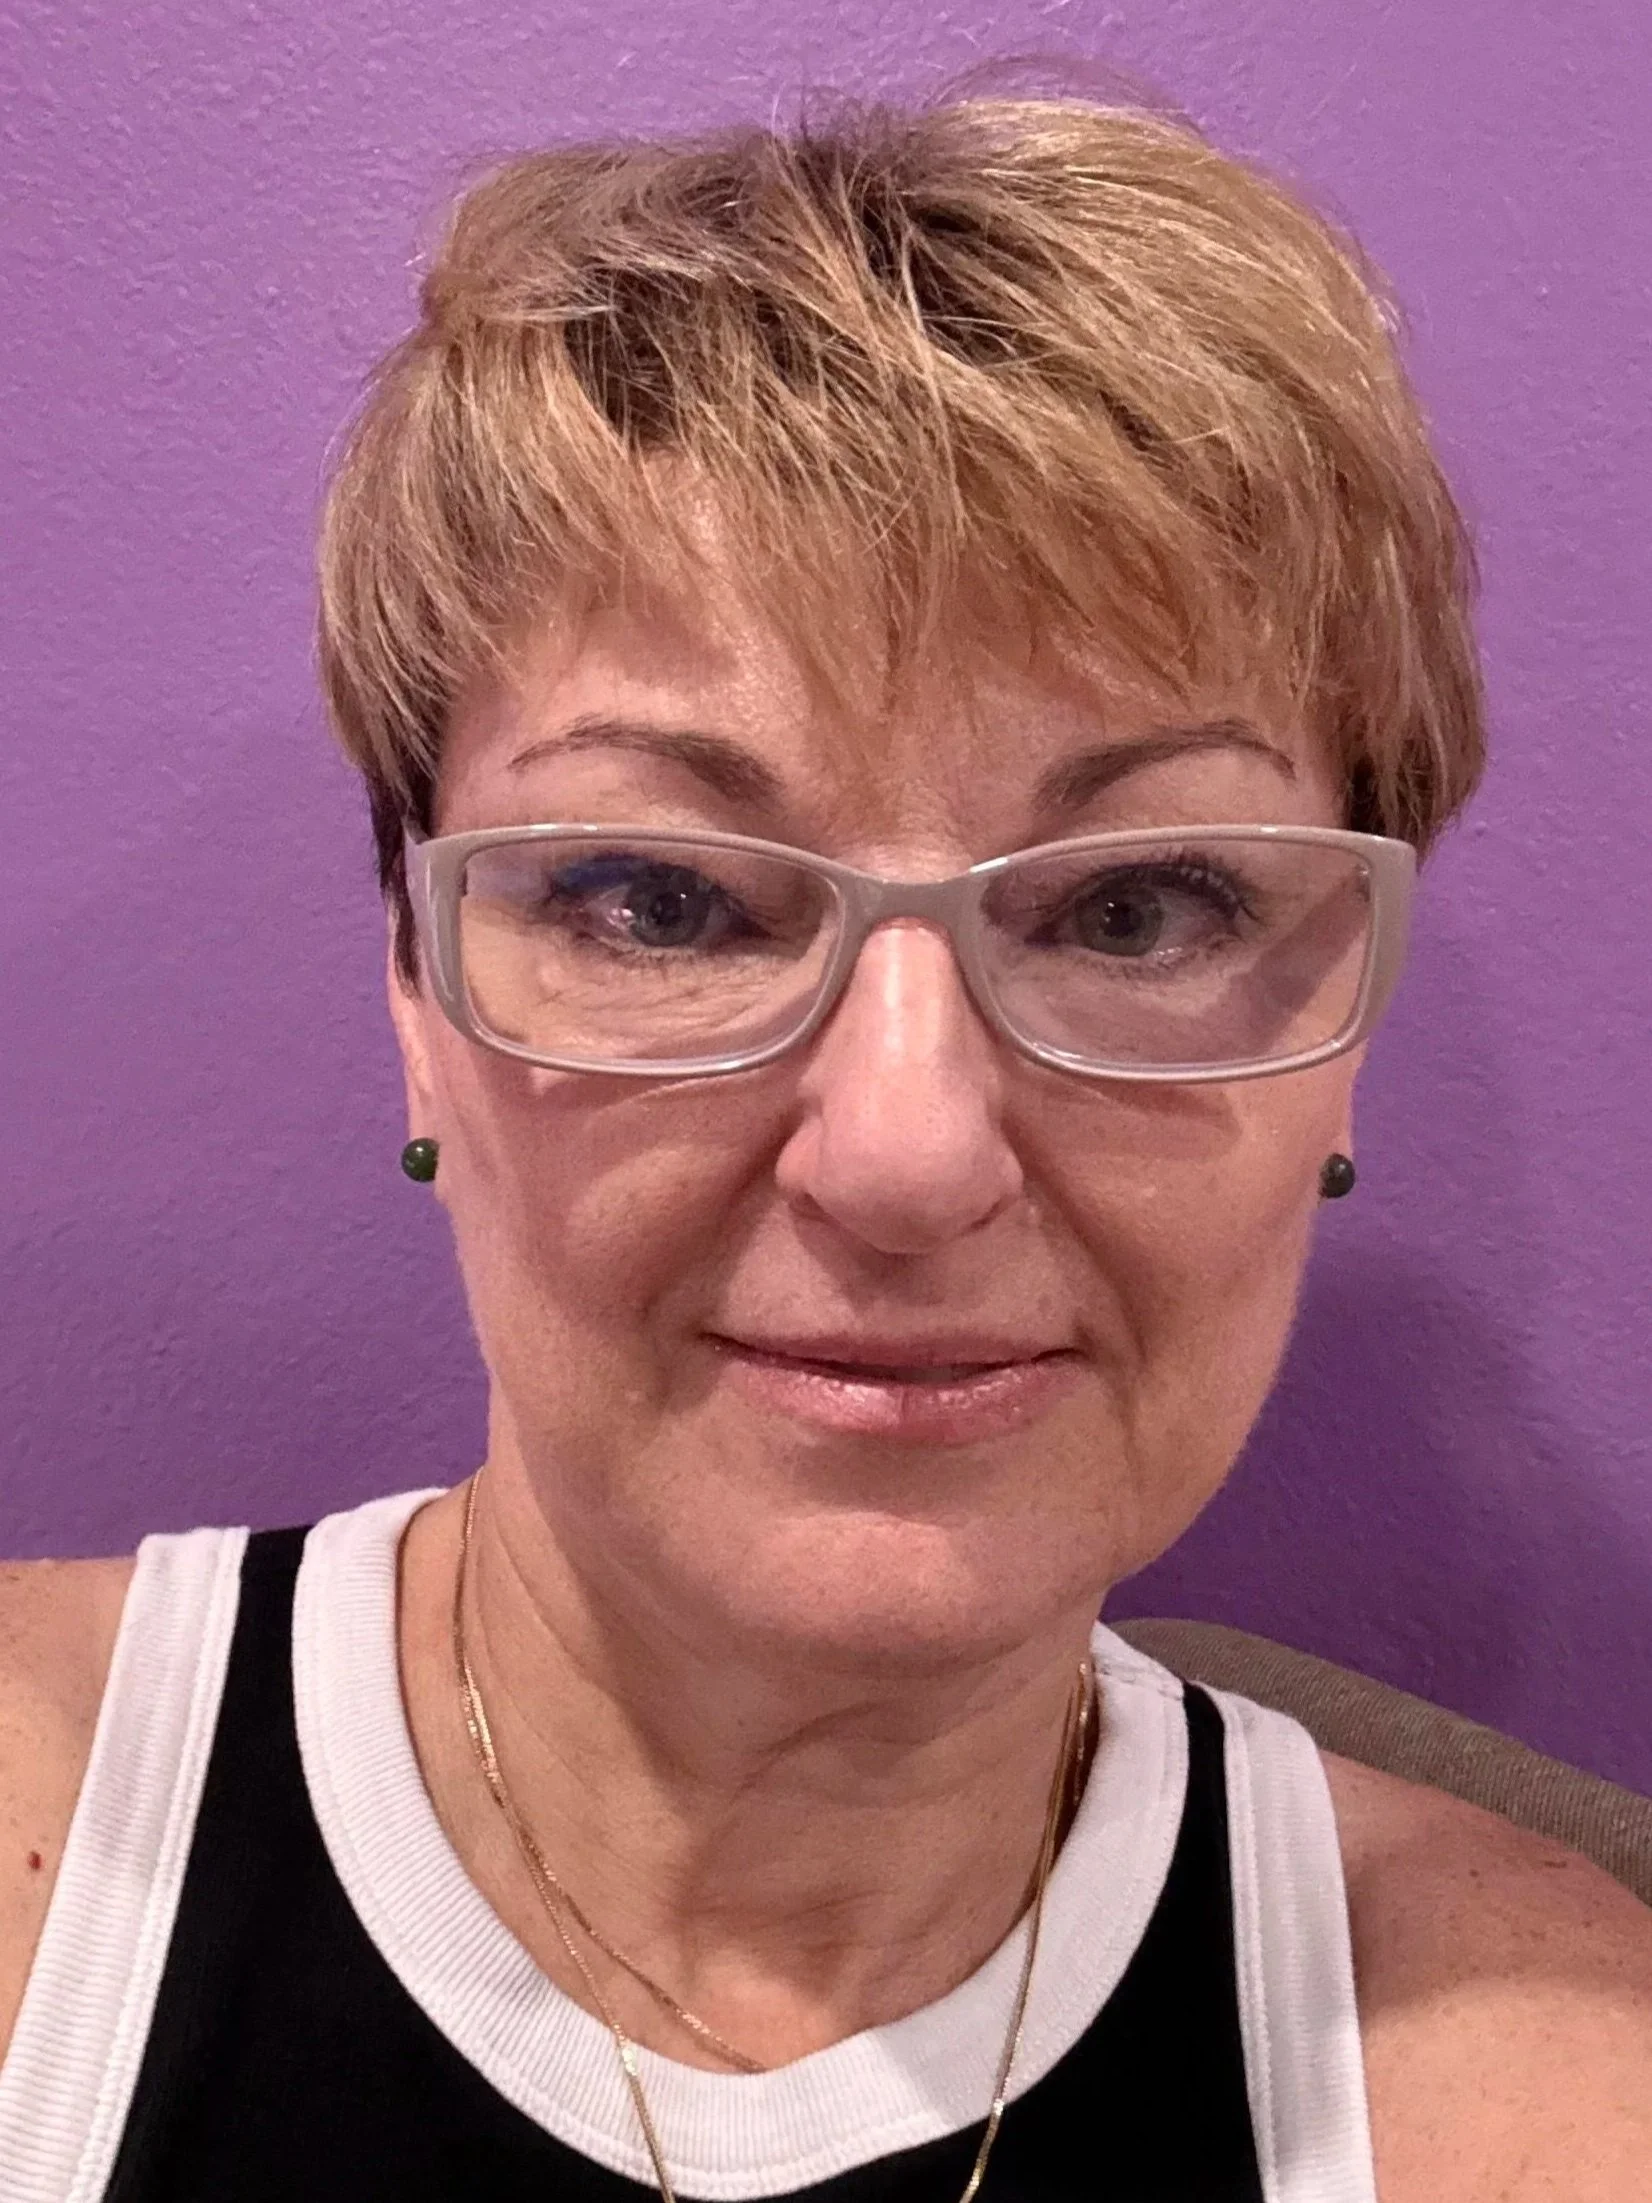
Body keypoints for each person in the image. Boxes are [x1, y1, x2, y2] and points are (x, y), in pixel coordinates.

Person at [1, 87, 1648, 2203]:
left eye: (1140, 909)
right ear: (417, 1005)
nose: (901, 1155)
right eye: (659, 899)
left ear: (1337, 1059)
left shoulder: (1543, 2102)